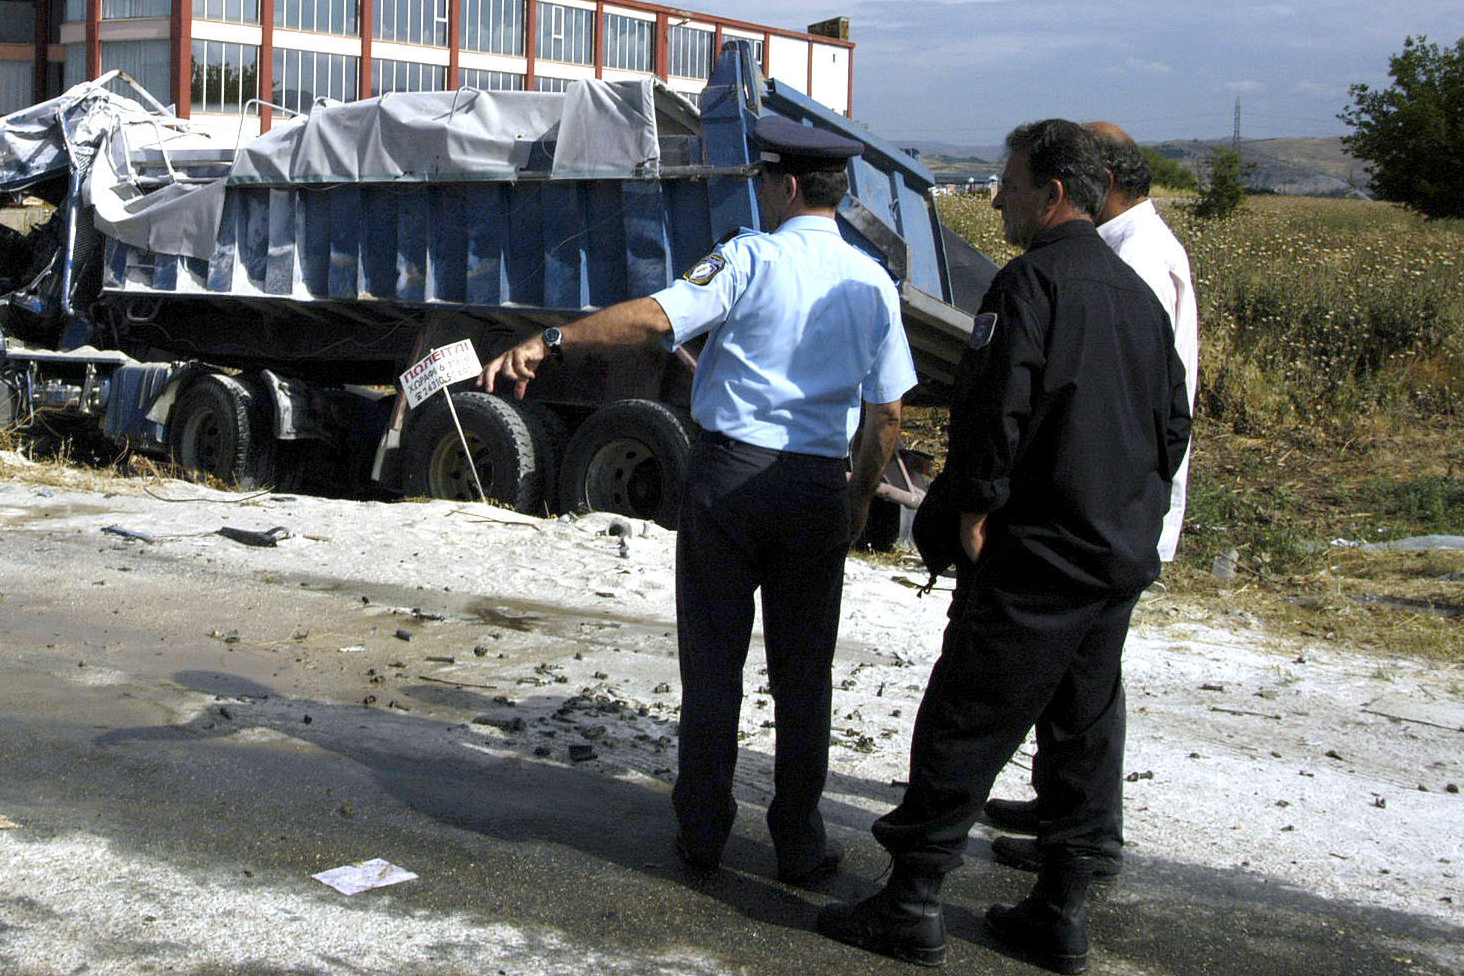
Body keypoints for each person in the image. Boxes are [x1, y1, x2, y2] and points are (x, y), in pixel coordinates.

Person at [480, 113, 916, 886]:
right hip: (816, 485)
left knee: (714, 659)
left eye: (763, 183)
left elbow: (656, 317)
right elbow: (886, 414)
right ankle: (798, 840)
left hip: (732, 481)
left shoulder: (752, 258)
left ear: (784, 186)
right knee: (805, 671)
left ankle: (705, 830)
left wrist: (550, 341)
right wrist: (853, 500)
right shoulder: (872, 281)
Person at [817, 119, 1190, 974]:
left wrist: (977, 509)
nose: (995, 197)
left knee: (967, 718)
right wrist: (1133, 513)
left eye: (1008, 183)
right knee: (1080, 733)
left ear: (1054, 193)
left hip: (1037, 553)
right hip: (1113, 558)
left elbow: (996, 413)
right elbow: (1174, 423)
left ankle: (912, 903)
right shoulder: (1135, 295)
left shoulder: (1032, 287)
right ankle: (1059, 912)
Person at [984, 121, 1201, 876]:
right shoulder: (1125, 254)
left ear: (1092, 183)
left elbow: (1144, 404)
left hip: (1095, 515)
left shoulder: (1135, 261)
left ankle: (1085, 837)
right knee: (1081, 681)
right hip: (1114, 512)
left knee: (1079, 685)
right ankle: (1064, 820)